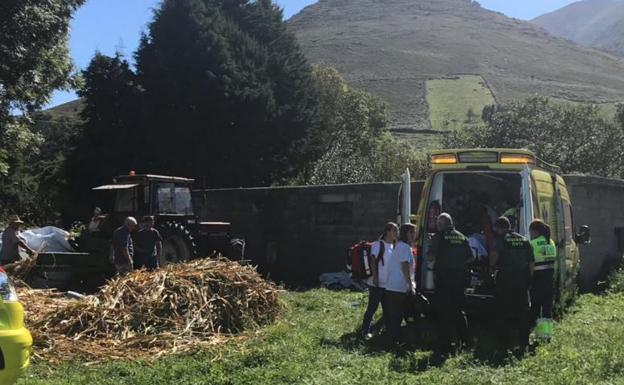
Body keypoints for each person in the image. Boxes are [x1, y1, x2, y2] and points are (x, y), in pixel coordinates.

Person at [428, 213, 473, 351]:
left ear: (441, 224)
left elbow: (430, 257)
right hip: (460, 279)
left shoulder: (439, 237)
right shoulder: (462, 237)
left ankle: (445, 344)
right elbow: (471, 258)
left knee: (443, 311)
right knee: (459, 311)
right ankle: (466, 342)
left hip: (443, 278)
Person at [491, 216, 534, 355]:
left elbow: (494, 257)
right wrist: (529, 278)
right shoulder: (524, 240)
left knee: (502, 312)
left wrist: (491, 268)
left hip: (505, 280)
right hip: (522, 280)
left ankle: (504, 345)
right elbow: (531, 263)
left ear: (499, 228)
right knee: (522, 313)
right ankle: (523, 343)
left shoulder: (500, 239)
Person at [361, 222, 398, 340]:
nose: (396, 233)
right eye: (395, 230)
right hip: (377, 284)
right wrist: (375, 277)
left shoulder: (393, 246)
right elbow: (373, 260)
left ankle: (387, 332)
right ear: (388, 231)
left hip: (387, 284)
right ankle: (365, 331)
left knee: (387, 309)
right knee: (372, 308)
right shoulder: (378, 245)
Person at [384, 223, 418, 347]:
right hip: (400, 287)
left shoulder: (398, 246)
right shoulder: (404, 247)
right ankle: (402, 341)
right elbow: (404, 266)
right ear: (407, 233)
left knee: (395, 316)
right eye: (413, 232)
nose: (414, 235)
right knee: (406, 315)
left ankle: (394, 340)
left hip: (392, 286)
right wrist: (411, 285)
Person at [529, 220, 557, 340]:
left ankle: (532, 333)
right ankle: (545, 336)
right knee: (547, 308)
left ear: (535, 232)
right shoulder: (550, 242)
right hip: (549, 279)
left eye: (530, 232)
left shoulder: (533, 244)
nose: (530, 234)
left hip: (537, 279)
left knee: (535, 307)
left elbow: (531, 263)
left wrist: (529, 279)